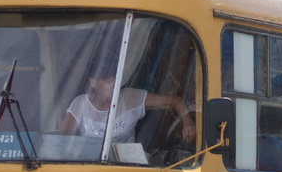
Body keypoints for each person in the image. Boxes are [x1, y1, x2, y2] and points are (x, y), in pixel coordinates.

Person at [58, 57, 194, 145]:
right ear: (93, 83)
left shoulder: (130, 97)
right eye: (109, 81)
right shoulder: (81, 103)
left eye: (117, 80)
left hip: (126, 170)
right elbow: (62, 135)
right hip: (92, 171)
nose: (115, 85)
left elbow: (174, 101)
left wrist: (187, 121)